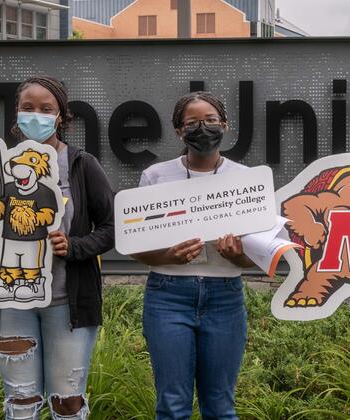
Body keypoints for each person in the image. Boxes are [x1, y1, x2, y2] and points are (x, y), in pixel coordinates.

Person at [0, 75, 116, 420]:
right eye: (28, 108)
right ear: (16, 113)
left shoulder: (82, 165)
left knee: (67, 402)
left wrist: (74, 246)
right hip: (12, 303)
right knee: (20, 403)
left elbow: (113, 229)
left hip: (67, 305)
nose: (35, 115)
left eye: (46, 109)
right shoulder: (0, 167)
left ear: (61, 116)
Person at [130, 92, 255, 420]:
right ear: (178, 132)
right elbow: (135, 247)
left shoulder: (247, 180)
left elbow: (258, 256)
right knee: (172, 406)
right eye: (193, 123)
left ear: (225, 125)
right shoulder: (156, 177)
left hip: (225, 299)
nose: (203, 128)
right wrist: (168, 254)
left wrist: (238, 257)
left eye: (211, 120)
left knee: (221, 406)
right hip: (168, 296)